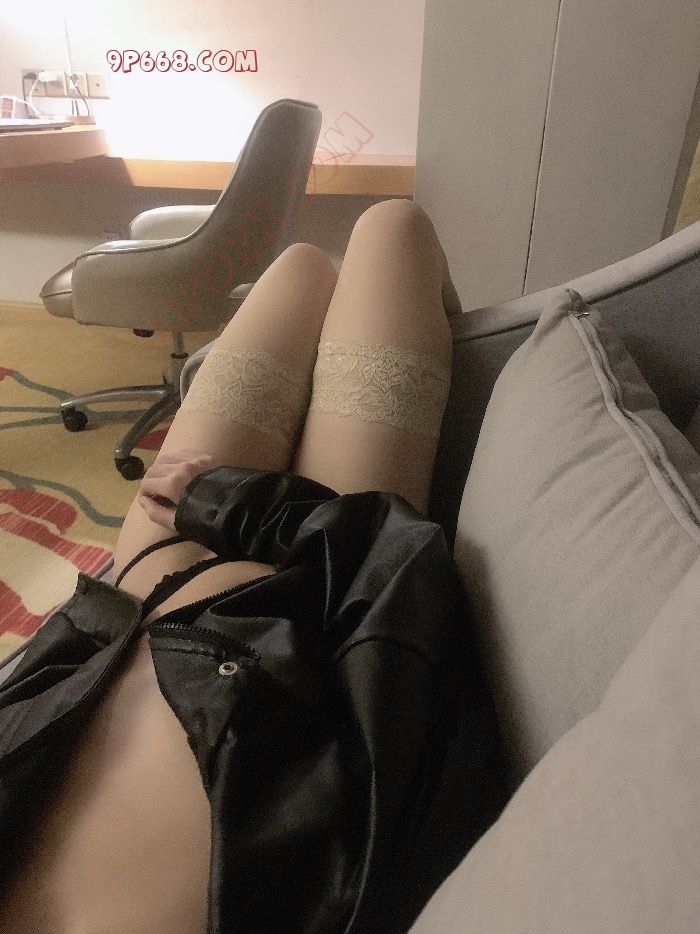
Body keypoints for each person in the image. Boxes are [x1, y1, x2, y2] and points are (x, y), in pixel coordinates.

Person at [0, 200, 506, 934]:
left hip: (145, 588)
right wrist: (235, 506)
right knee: (391, 228)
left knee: (299, 269)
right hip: (323, 579)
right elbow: (393, 583)